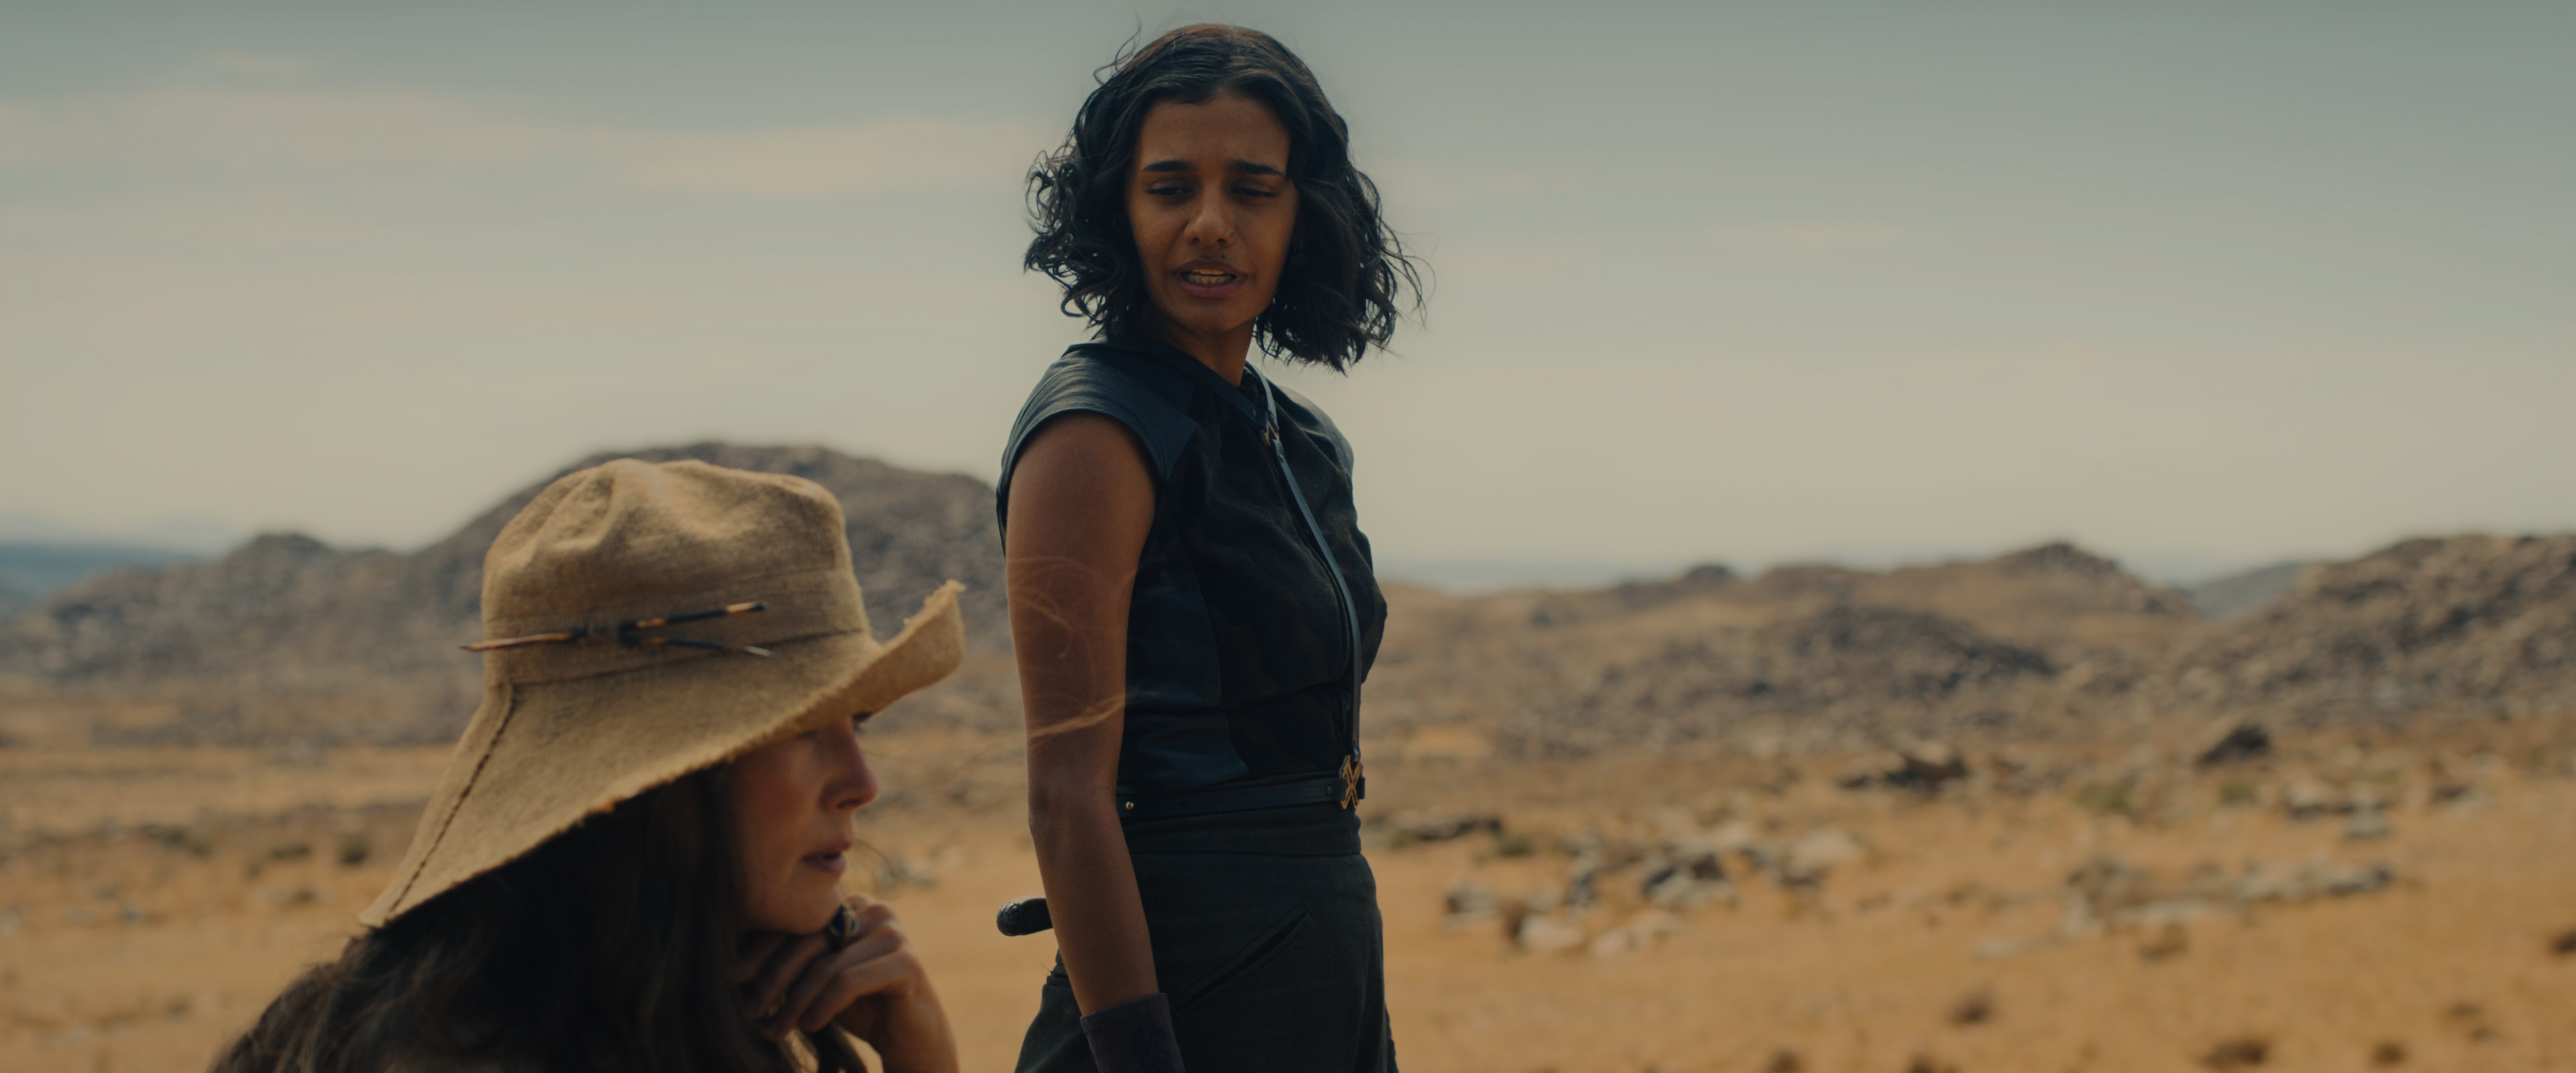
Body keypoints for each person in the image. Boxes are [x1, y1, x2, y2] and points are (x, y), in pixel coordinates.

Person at [211, 459, 969, 1073]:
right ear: (658, 779)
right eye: (800, 728)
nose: (862, 784)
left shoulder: (659, 1012)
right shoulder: (461, 1056)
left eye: (857, 723)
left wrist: (922, 1055)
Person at [1000, 23, 1421, 1073]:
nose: (1210, 226)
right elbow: (1066, 795)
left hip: (1322, 948)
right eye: (1171, 188)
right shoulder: (1095, 431)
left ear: (1303, 213)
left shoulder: (1300, 435)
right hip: (1184, 970)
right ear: (1118, 208)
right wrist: (1139, 1053)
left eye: (1253, 190)